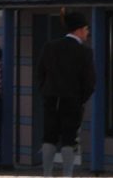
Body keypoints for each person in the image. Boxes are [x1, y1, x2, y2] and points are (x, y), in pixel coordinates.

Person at [35, 11, 96, 177]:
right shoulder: (85, 52)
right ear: (79, 30)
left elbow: (40, 74)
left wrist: (46, 92)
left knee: (49, 137)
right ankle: (67, 174)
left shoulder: (50, 47)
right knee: (69, 139)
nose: (87, 32)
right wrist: (80, 98)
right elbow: (90, 82)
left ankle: (47, 173)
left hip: (51, 98)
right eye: (86, 29)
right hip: (72, 100)